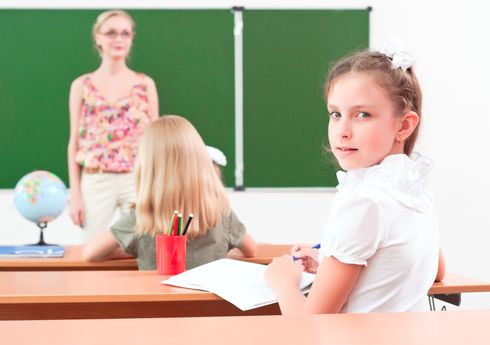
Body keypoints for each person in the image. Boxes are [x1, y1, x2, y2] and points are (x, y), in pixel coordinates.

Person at [264, 48, 445, 314]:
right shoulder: (411, 188)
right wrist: (332, 262)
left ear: (404, 126)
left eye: (362, 115)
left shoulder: (364, 201)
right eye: (335, 114)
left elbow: (309, 327)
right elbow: (436, 270)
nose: (342, 131)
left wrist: (283, 281)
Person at [83, 116, 257, 269]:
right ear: (200, 162)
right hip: (208, 306)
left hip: (156, 306)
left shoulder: (141, 219)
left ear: (148, 169)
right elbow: (251, 250)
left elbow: (91, 253)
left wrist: (134, 249)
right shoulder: (221, 215)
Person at [67, 10, 159, 243]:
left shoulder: (145, 84)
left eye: (125, 33)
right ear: (98, 37)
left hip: (137, 178)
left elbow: (157, 142)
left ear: (131, 38)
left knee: (142, 246)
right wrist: (75, 194)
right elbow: (74, 143)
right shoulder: (82, 85)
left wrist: (157, 187)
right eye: (111, 33)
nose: (119, 39)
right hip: (96, 179)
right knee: (90, 249)